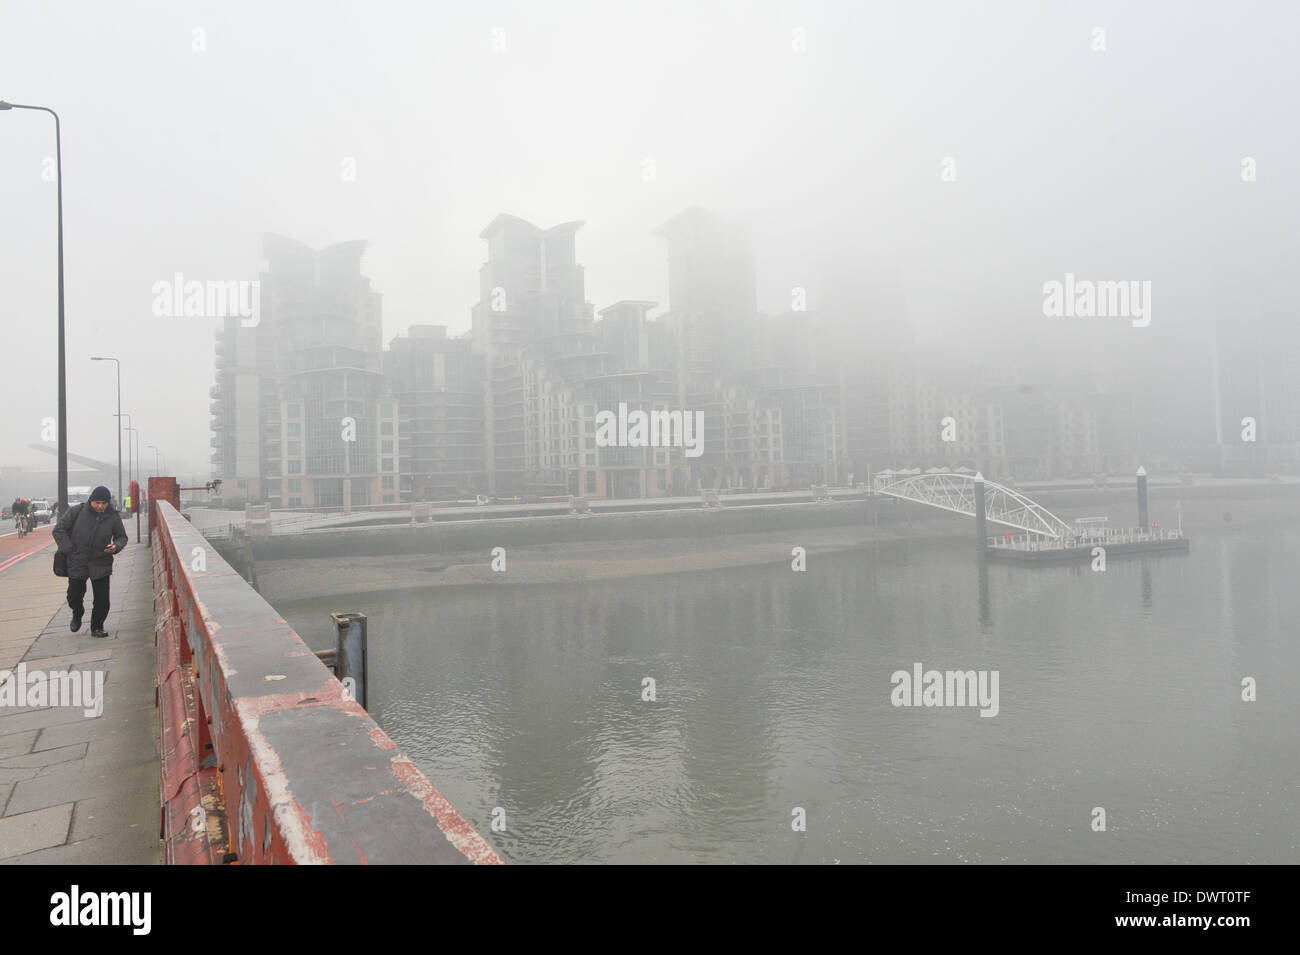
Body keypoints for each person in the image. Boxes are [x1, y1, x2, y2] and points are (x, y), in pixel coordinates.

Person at [53, 485, 128, 638]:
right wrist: (69, 549)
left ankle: (97, 626)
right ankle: (77, 612)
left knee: (102, 600)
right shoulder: (76, 512)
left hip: (101, 561)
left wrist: (116, 546)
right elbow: (58, 530)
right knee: (74, 595)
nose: (100, 506)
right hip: (77, 559)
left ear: (108, 503)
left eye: (104, 503)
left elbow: (121, 537)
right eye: (97, 503)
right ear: (91, 501)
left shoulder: (113, 516)